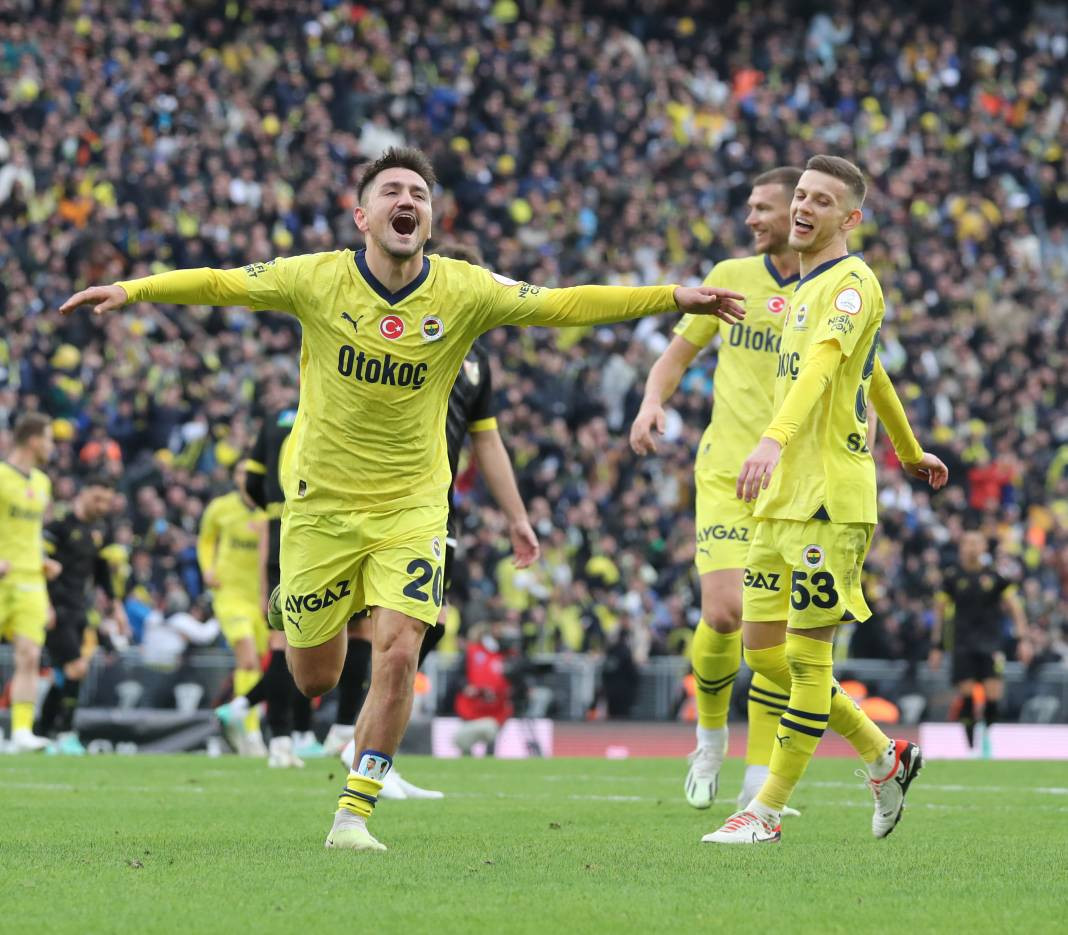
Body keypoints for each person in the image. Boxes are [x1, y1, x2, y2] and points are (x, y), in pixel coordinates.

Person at [60, 146, 745, 853]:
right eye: (391, 190)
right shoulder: (316, 278)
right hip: (320, 506)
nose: (405, 199)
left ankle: (353, 812)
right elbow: (219, 282)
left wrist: (670, 295)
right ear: (363, 215)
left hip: (414, 506)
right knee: (315, 676)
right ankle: (301, 618)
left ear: (429, 216)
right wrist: (134, 290)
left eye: (417, 191)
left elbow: (560, 304)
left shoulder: (463, 289)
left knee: (397, 650)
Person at [703, 155, 948, 844]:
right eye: (800, 196)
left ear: (850, 218)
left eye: (821, 200)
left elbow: (825, 366)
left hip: (827, 501)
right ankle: (885, 756)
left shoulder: (851, 285)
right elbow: (875, 372)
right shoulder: (804, 290)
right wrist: (906, 446)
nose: (804, 207)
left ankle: (765, 811)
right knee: (764, 655)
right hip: (778, 503)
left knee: (809, 663)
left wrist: (772, 440)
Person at [331, 241, 540, 801]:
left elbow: (486, 441)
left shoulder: (475, 362)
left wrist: (517, 518)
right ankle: (352, 740)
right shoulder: (385, 331)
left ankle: (367, 754)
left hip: (427, 509)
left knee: (412, 634)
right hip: (351, 501)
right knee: (361, 640)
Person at [631, 167, 809, 812]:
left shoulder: (834, 288)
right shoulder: (731, 276)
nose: (751, 218)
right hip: (729, 469)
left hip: (797, 480)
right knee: (726, 613)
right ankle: (709, 739)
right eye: (750, 208)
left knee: (772, 636)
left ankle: (759, 782)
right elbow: (677, 355)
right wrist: (653, 402)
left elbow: (860, 379)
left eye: (762, 208)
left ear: (800, 212)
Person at [214, 379, 323, 767]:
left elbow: (255, 482)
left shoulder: (274, 421)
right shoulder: (327, 410)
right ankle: (300, 733)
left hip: (282, 530)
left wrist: (273, 508)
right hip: (322, 530)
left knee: (285, 641)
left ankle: (278, 736)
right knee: (308, 640)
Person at [37, 475, 128, 753]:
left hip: (79, 609)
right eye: (98, 499)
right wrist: (45, 604)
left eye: (107, 502)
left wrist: (116, 606)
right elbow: (41, 566)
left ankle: (42, 731)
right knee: (77, 668)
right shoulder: (59, 527)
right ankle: (65, 734)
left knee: (65, 675)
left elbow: (101, 573)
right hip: (55, 607)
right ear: (84, 492)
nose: (102, 506)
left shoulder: (101, 529)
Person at [929, 530, 1031, 755]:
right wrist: (936, 646)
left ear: (984, 547)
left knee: (993, 698)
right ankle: (970, 744)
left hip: (991, 644)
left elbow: (1015, 607)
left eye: (976, 543)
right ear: (961, 547)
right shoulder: (952, 577)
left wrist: (1023, 639)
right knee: (966, 696)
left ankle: (988, 739)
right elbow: (939, 610)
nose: (971, 548)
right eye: (967, 543)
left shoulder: (996, 577)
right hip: (962, 643)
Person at [197, 464, 269, 757]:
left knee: (261, 666)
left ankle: (241, 721)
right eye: (241, 472)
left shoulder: (270, 510)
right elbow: (205, 540)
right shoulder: (220, 508)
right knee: (248, 658)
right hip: (229, 595)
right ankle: (251, 731)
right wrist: (207, 569)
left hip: (260, 598)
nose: (246, 478)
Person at [0, 413, 58, 752]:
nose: (51, 446)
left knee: (30, 654)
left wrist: (42, 563)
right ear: (34, 440)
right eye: (49, 439)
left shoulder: (42, 483)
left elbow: (34, 533)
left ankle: (22, 731)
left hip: (31, 580)